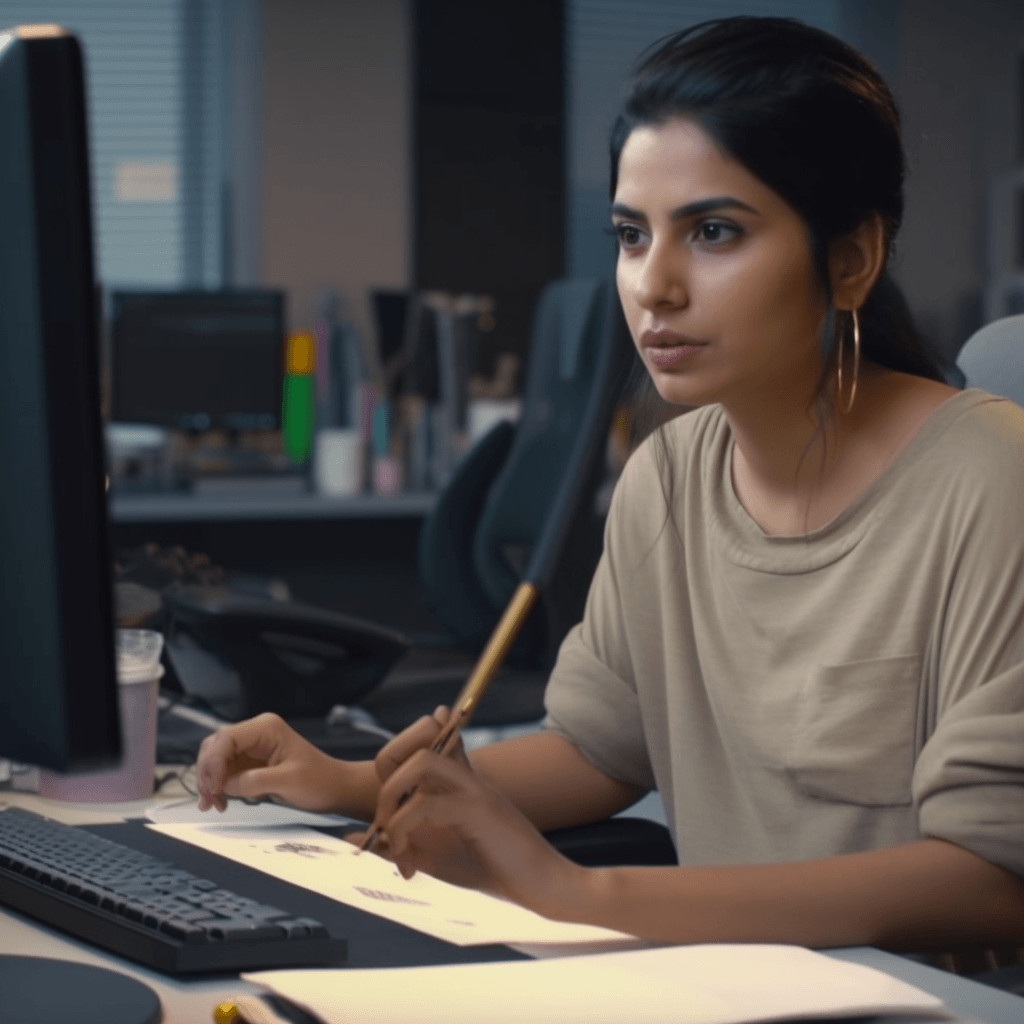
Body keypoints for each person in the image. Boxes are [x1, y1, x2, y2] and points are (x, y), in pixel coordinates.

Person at [196, 17, 1024, 950]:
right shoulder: (666, 476)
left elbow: (994, 878)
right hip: (713, 993)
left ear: (851, 259)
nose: (654, 286)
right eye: (632, 236)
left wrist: (583, 897)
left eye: (714, 232)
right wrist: (352, 780)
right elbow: (597, 751)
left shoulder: (992, 480)